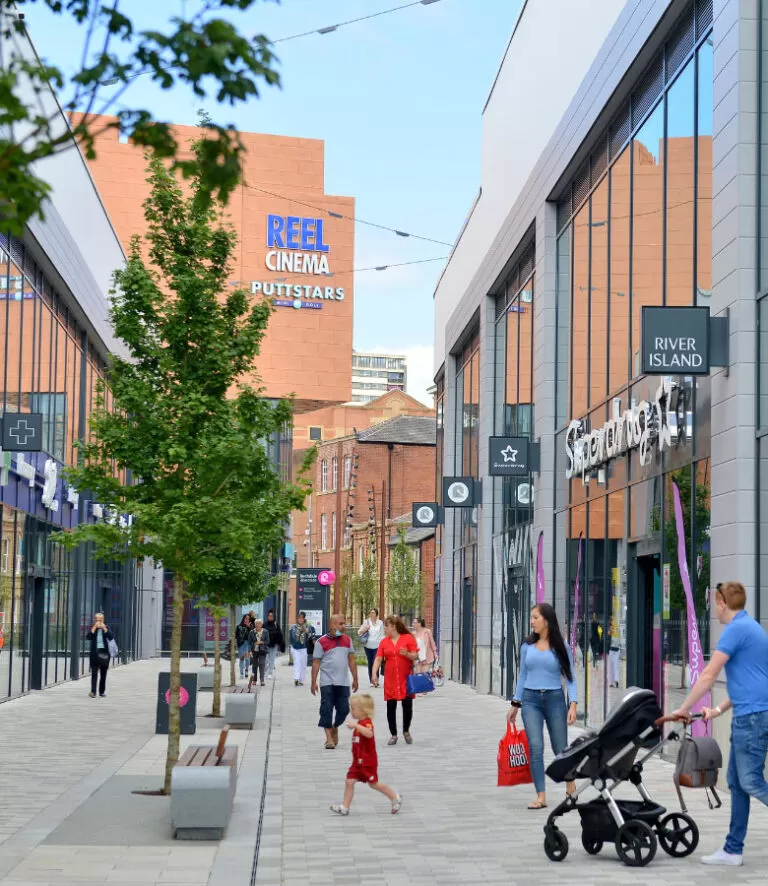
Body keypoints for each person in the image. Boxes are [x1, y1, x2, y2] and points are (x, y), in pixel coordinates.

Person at [670, 581, 768, 867]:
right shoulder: (753, 627)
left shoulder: (736, 630)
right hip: (750, 714)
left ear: (723, 602)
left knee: (749, 781)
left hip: (751, 718)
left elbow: (709, 674)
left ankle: (732, 848)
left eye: (716, 602)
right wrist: (719, 708)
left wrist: (684, 708)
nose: (715, 608)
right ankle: (732, 850)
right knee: (737, 784)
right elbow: (755, 681)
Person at [506, 602, 578, 809]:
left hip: (555, 699)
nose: (532, 621)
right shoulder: (526, 646)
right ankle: (541, 796)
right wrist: (515, 704)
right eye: (531, 617)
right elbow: (522, 676)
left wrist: (572, 705)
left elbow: (570, 678)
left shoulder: (561, 646)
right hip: (530, 701)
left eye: (535, 617)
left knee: (560, 748)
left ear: (546, 620)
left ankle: (570, 785)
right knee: (536, 747)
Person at [329, 693, 402, 816]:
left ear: (363, 711)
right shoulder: (360, 723)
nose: (351, 711)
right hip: (357, 762)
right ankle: (345, 807)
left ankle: (395, 797)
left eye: (353, 708)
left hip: (368, 762)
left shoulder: (366, 723)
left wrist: (356, 725)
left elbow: (369, 733)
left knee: (374, 784)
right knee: (349, 781)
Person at [312, 613, 359, 749]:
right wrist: (313, 681)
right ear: (332, 625)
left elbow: (351, 660)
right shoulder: (321, 642)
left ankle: (334, 727)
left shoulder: (347, 640)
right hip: (327, 682)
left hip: (343, 682)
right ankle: (329, 740)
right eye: (341, 624)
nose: (344, 626)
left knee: (344, 710)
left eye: (344, 623)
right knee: (326, 709)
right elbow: (316, 663)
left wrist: (355, 678)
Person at [372, 616, 419, 745]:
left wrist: (407, 654)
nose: (384, 629)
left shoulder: (408, 638)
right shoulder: (384, 642)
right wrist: (374, 673)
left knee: (407, 705)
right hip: (391, 678)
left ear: (392, 626)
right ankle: (393, 734)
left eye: (386, 626)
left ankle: (406, 730)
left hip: (406, 678)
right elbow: (378, 659)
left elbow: (415, 655)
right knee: (390, 706)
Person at [86, 613, 114, 698]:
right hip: (95, 654)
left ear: (103, 620)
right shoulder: (93, 628)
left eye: (100, 620)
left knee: (103, 673)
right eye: (97, 620)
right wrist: (94, 628)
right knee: (94, 673)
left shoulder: (106, 627)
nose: (98, 622)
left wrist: (104, 628)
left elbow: (111, 637)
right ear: (94, 620)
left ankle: (101, 692)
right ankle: (93, 692)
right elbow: (88, 637)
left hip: (104, 654)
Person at [358, 608, 385, 686]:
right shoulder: (366, 622)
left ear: (376, 614)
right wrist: (365, 629)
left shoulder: (380, 623)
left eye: (373, 612)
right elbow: (359, 632)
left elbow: (382, 635)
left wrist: (382, 645)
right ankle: (371, 680)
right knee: (370, 662)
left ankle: (376, 680)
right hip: (368, 646)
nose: (371, 614)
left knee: (375, 662)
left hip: (377, 646)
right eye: (370, 613)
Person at [289, 611, 316, 686]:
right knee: (297, 663)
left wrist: (308, 633)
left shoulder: (308, 627)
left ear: (304, 618)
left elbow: (312, 637)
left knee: (303, 665)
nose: (300, 619)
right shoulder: (293, 627)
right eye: (299, 618)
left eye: (302, 618)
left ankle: (301, 680)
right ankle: (296, 679)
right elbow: (291, 638)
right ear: (297, 619)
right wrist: (291, 646)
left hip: (304, 648)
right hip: (295, 648)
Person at [248, 618, 269, 688]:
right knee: (254, 665)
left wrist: (261, 642)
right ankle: (254, 680)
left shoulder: (265, 632)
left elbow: (268, 641)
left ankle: (262, 680)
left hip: (263, 651)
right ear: (254, 624)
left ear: (261, 624)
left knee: (261, 664)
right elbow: (249, 642)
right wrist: (250, 651)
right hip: (254, 651)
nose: (258, 625)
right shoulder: (251, 632)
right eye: (256, 624)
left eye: (259, 623)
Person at [265, 609, 285, 679]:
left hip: (274, 644)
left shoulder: (276, 624)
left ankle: (270, 673)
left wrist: (280, 644)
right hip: (266, 645)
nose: (270, 617)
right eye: (269, 616)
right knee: (265, 659)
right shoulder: (264, 624)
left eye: (271, 616)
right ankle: (265, 671)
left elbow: (280, 634)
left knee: (272, 659)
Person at [235, 614, 252, 679]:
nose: (247, 620)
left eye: (248, 619)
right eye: (246, 618)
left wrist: (249, 627)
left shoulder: (251, 626)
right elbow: (236, 636)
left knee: (247, 659)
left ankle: (246, 669)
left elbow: (253, 634)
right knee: (241, 658)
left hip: (247, 644)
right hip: (241, 644)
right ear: (243, 619)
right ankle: (241, 672)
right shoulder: (239, 626)